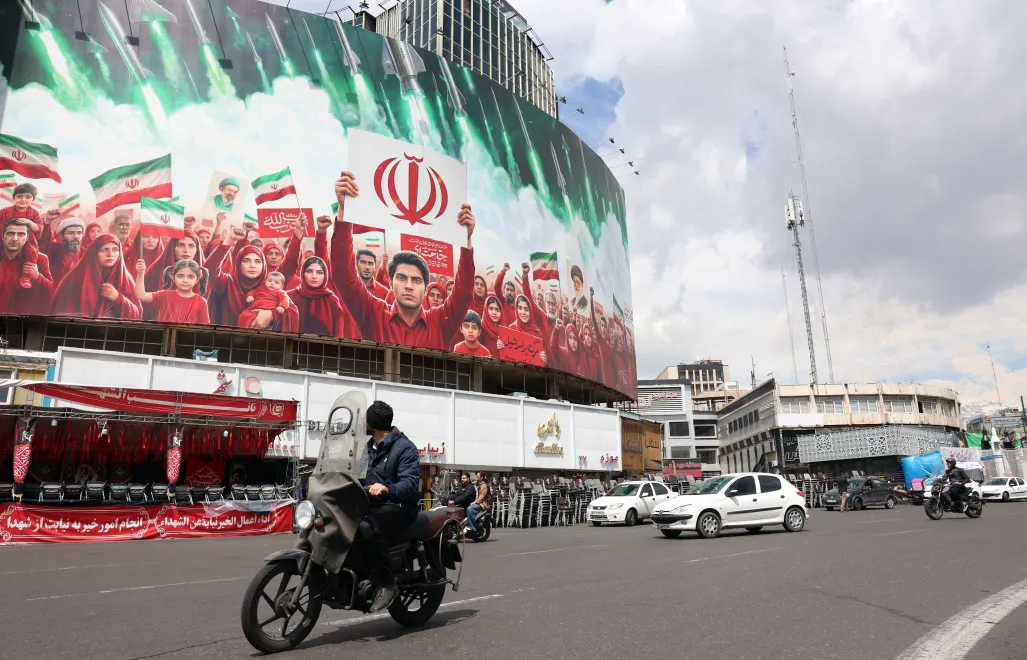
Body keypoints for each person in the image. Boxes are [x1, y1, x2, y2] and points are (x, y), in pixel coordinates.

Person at [330, 171, 476, 352]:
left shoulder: (440, 321)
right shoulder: (373, 313)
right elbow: (343, 275)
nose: (409, 286)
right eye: (401, 278)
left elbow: (463, 295)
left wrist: (466, 240)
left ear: (425, 287)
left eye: (416, 280)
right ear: (390, 283)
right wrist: (345, 212)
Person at [360, 400, 420, 609]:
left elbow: (411, 483)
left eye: (365, 419)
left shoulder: (404, 448)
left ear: (372, 424)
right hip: (372, 504)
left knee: (365, 526)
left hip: (399, 507)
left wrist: (387, 488)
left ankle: (387, 582)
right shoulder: (368, 448)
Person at [50, 233, 141, 319]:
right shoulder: (76, 277)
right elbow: (61, 313)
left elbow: (137, 313)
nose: (110, 254)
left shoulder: (126, 279)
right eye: (104, 249)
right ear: (95, 252)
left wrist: (118, 298)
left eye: (115, 250)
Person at [0, 183, 59, 288]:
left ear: (33, 199)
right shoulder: (6, 211)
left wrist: (29, 222)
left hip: (27, 241)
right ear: (14, 198)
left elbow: (39, 228)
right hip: (5, 239)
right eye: (19, 196)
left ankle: (26, 277)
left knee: (32, 252)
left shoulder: (33, 213)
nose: (23, 200)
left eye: (28, 197)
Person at [0, 217, 55, 314]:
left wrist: (38, 277)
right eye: (10, 233)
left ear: (27, 237)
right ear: (2, 236)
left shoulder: (40, 260)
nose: (15, 238)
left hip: (22, 320)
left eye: (21, 234)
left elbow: (50, 291)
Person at [288, 256, 351, 337]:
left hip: (324, 347)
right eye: (309, 271)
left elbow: (338, 334)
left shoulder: (332, 300)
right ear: (303, 273)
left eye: (319, 272)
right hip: (294, 347)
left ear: (325, 275)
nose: (314, 276)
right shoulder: (290, 296)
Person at [135, 258, 210, 324]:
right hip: (164, 337)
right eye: (180, 276)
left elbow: (204, 328)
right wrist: (140, 274)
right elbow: (140, 295)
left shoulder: (201, 302)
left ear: (197, 279)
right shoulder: (164, 295)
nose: (185, 280)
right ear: (173, 278)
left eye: (190, 277)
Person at [39, 216, 85, 285]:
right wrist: (47, 222)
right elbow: (43, 242)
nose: (76, 236)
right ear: (61, 236)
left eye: (79, 233)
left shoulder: (86, 253)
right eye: (71, 233)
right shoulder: (54, 249)